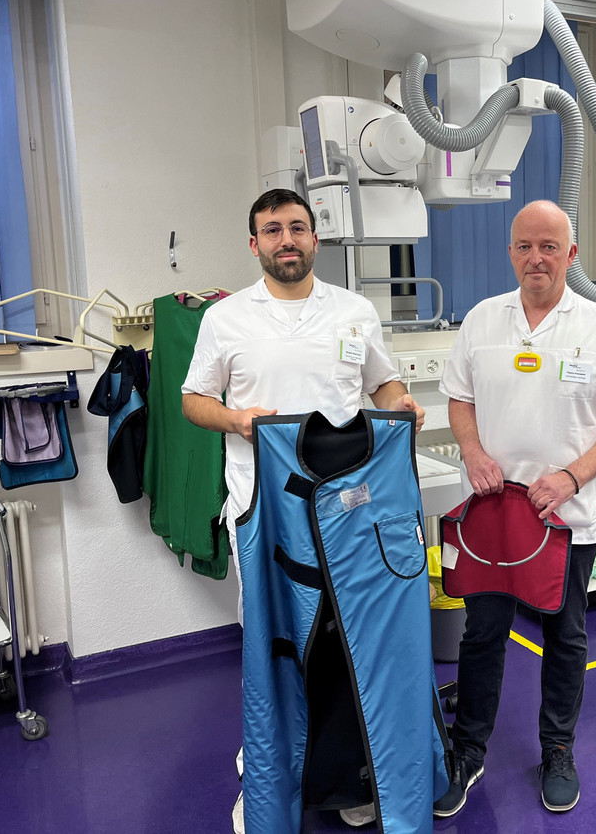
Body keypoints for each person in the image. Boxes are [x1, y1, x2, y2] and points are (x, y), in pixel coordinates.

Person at [180, 188, 424, 831]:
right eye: (272, 230)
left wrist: (399, 404)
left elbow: (382, 383)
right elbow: (193, 400)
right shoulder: (226, 318)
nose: (286, 240)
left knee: (347, 638)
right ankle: (267, 768)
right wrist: (237, 420)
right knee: (274, 642)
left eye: (296, 228)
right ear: (254, 243)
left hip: (347, 510)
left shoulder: (354, 311)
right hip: (263, 510)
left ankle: (347, 771)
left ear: (315, 238)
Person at [435, 200, 596, 816]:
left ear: (571, 254)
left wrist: (571, 477)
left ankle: (557, 748)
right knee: (483, 633)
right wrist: (473, 452)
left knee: (565, 634)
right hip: (493, 515)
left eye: (549, 246)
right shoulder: (482, 320)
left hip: (567, 519)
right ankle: (468, 750)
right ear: (511, 252)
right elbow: (459, 398)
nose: (537, 258)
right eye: (525, 246)